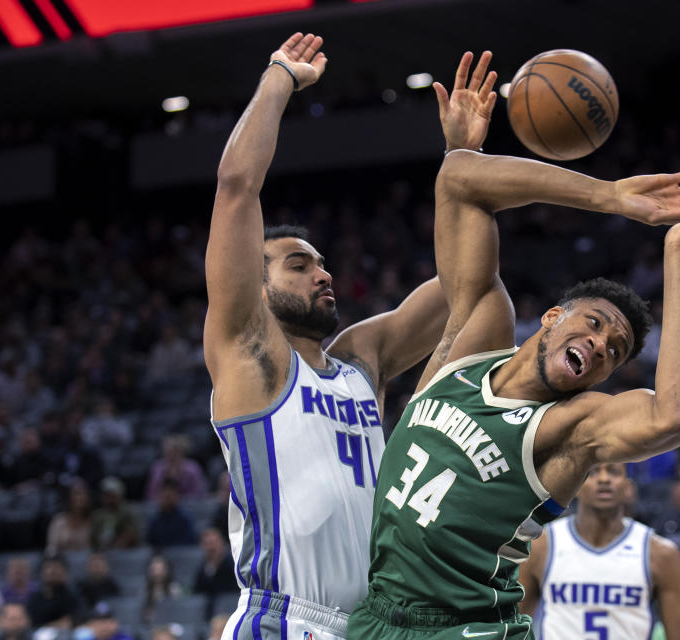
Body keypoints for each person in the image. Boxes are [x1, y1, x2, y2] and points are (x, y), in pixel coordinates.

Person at [348, 54, 680, 639]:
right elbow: (457, 182)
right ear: (553, 317)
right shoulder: (472, 343)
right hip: (375, 618)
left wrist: (678, 254)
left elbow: (676, 414)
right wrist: (609, 197)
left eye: (616, 348)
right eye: (596, 323)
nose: (602, 344)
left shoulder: (570, 428)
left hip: (467, 629)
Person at [204, 33, 485, 640]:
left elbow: (465, 280)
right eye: (298, 265)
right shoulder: (251, 357)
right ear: (254, 286)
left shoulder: (362, 359)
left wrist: (461, 163)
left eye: (323, 262)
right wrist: (280, 76)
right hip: (283, 620)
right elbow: (235, 189)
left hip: (370, 626)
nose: (323, 272)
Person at [518, 463, 680, 640]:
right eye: (593, 472)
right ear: (575, 485)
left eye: (614, 472)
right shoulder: (542, 546)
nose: (604, 479)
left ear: (628, 488)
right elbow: (515, 626)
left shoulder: (661, 554)